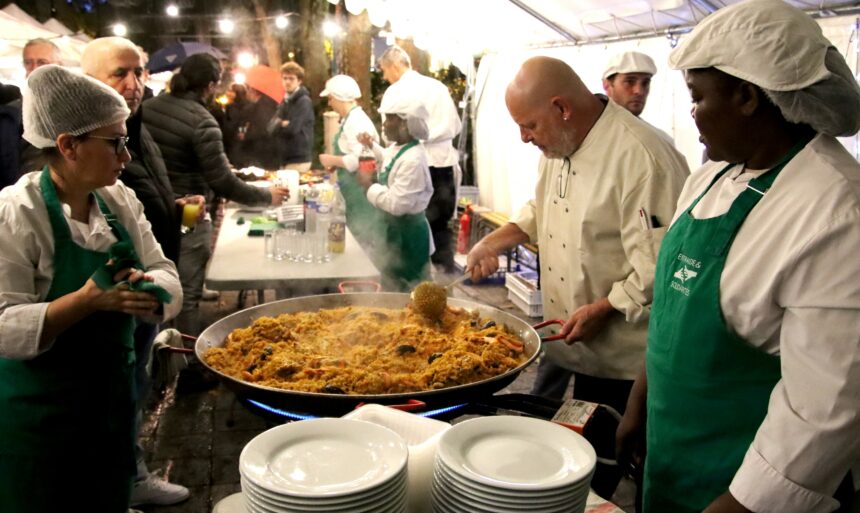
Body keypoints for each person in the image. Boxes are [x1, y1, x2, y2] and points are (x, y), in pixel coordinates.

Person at [616, 1, 860, 512]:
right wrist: (642, 398)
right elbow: (672, 317)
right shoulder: (710, 178)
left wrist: (740, 505)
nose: (692, 113)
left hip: (745, 484)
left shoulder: (835, 210)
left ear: (747, 96)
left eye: (699, 97)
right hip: (672, 445)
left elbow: (822, 414)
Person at [466, 56, 688, 499]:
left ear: (562, 108)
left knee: (630, 462)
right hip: (580, 348)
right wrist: (494, 241)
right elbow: (539, 208)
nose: (524, 138)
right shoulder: (560, 145)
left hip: (630, 364)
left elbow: (663, 267)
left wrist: (605, 307)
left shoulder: (642, 158)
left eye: (529, 125)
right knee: (586, 456)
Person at [0, 64, 182, 513]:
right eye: (116, 143)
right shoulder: (16, 214)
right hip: (42, 419)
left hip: (110, 407)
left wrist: (150, 292)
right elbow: (4, 327)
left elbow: (165, 271)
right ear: (68, 145)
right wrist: (87, 300)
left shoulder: (119, 199)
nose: (127, 156)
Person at [81, 36, 194, 508]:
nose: (133, 84)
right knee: (106, 402)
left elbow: (141, 197)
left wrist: (173, 208)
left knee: (135, 387)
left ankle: (132, 474)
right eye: (119, 74)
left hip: (146, 286)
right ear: (87, 82)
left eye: (139, 72)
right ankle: (113, 486)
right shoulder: (73, 142)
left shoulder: (135, 129)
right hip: (105, 301)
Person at [143, 53, 288, 336]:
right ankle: (186, 363)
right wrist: (266, 196)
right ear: (210, 85)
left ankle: (157, 355)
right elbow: (222, 181)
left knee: (154, 285)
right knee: (186, 291)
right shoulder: (201, 120)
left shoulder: (148, 108)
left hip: (149, 211)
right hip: (188, 215)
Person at [379, 45, 461, 274]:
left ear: (395, 66)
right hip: (443, 166)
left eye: (384, 71)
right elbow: (453, 124)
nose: (385, 77)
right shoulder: (437, 87)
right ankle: (444, 285)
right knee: (441, 229)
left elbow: (391, 136)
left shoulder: (396, 92)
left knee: (412, 226)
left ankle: (415, 285)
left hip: (415, 163)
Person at [355, 92, 434, 292]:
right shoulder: (400, 148)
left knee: (409, 292)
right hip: (393, 232)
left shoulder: (414, 160)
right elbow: (388, 160)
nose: (383, 124)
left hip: (408, 237)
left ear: (404, 124)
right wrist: (371, 146)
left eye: (389, 118)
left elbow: (397, 205)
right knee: (390, 287)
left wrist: (368, 185)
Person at [317, 74, 383, 254]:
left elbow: (361, 159)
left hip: (360, 193)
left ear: (340, 98)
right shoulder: (350, 119)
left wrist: (332, 160)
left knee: (363, 244)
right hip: (352, 192)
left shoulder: (356, 121)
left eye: (330, 98)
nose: (329, 103)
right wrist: (338, 164)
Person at [14, 39, 64, 180]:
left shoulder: (75, 109)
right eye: (28, 62)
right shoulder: (15, 111)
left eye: (42, 62)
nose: (34, 68)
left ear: (59, 67)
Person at [268, 61, 314, 171]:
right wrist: (281, 123)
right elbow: (270, 128)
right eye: (285, 78)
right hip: (284, 158)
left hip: (299, 159)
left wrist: (279, 124)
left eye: (291, 78)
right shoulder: (285, 101)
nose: (287, 82)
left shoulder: (303, 101)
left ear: (299, 81)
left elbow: (293, 129)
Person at [601, 51, 656, 118]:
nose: (639, 91)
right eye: (629, 82)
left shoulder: (645, 128)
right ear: (606, 85)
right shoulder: (592, 126)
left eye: (645, 83)